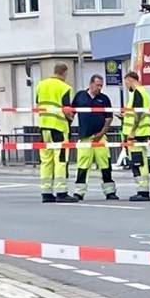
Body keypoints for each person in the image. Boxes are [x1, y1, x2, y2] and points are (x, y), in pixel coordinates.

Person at [69, 74, 117, 201]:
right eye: (97, 85)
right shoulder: (80, 96)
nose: (99, 88)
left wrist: (101, 133)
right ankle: (79, 192)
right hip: (85, 137)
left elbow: (109, 117)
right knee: (83, 165)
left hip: (100, 137)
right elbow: (71, 114)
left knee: (105, 165)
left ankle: (110, 192)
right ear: (91, 84)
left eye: (101, 86)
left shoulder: (104, 99)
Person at [33, 63, 73, 202]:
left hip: (43, 127)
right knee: (61, 160)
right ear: (64, 73)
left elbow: (38, 104)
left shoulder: (40, 85)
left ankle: (46, 192)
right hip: (59, 128)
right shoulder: (65, 87)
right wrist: (71, 118)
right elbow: (67, 109)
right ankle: (61, 192)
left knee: (46, 161)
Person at [120, 84, 150, 201]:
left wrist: (132, 131)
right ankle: (143, 190)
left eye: (126, 83)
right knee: (141, 162)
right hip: (142, 132)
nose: (126, 86)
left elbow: (138, 113)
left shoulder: (137, 91)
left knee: (138, 163)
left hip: (137, 134)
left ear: (128, 80)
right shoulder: (144, 92)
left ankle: (142, 191)